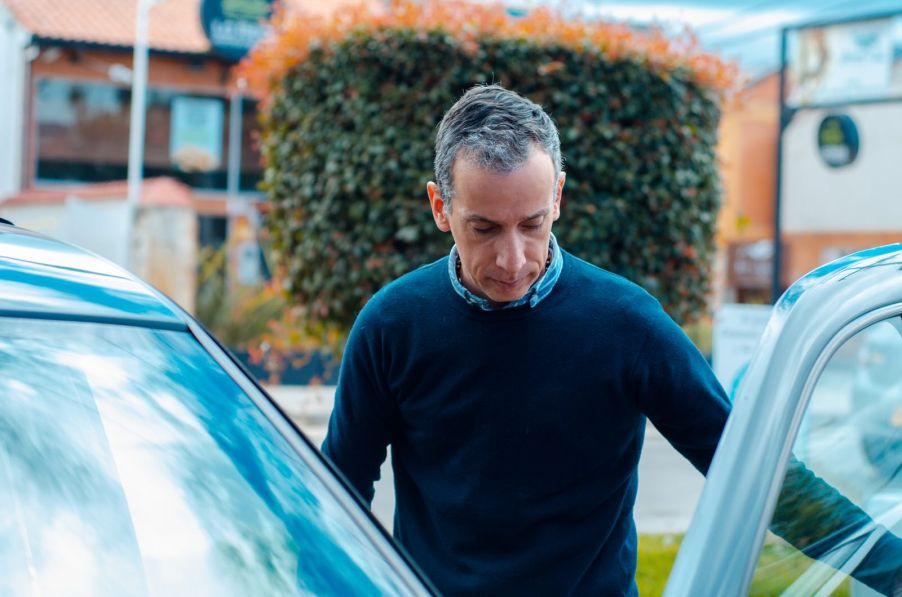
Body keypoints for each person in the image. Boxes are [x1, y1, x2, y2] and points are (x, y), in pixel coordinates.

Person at [322, 85, 901, 595]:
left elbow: (757, 474)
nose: (513, 259)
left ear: (558, 198)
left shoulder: (627, 325)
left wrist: (895, 571)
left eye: (532, 224)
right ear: (440, 207)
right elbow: (335, 496)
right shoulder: (391, 326)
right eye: (485, 228)